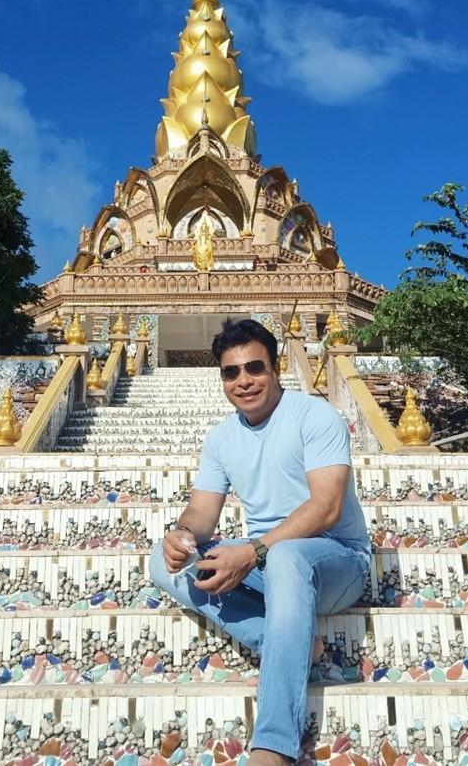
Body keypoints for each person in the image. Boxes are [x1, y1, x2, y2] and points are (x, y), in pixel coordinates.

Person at [148, 318, 372, 766]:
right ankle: (286, 643)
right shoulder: (221, 437)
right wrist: (184, 537)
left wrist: (253, 551)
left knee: (287, 555)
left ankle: (274, 746)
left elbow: (326, 507)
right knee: (162, 561)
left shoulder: (317, 416)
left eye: (255, 368)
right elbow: (201, 513)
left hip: (336, 562)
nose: (244, 381)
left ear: (277, 368)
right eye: (231, 372)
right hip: (269, 560)